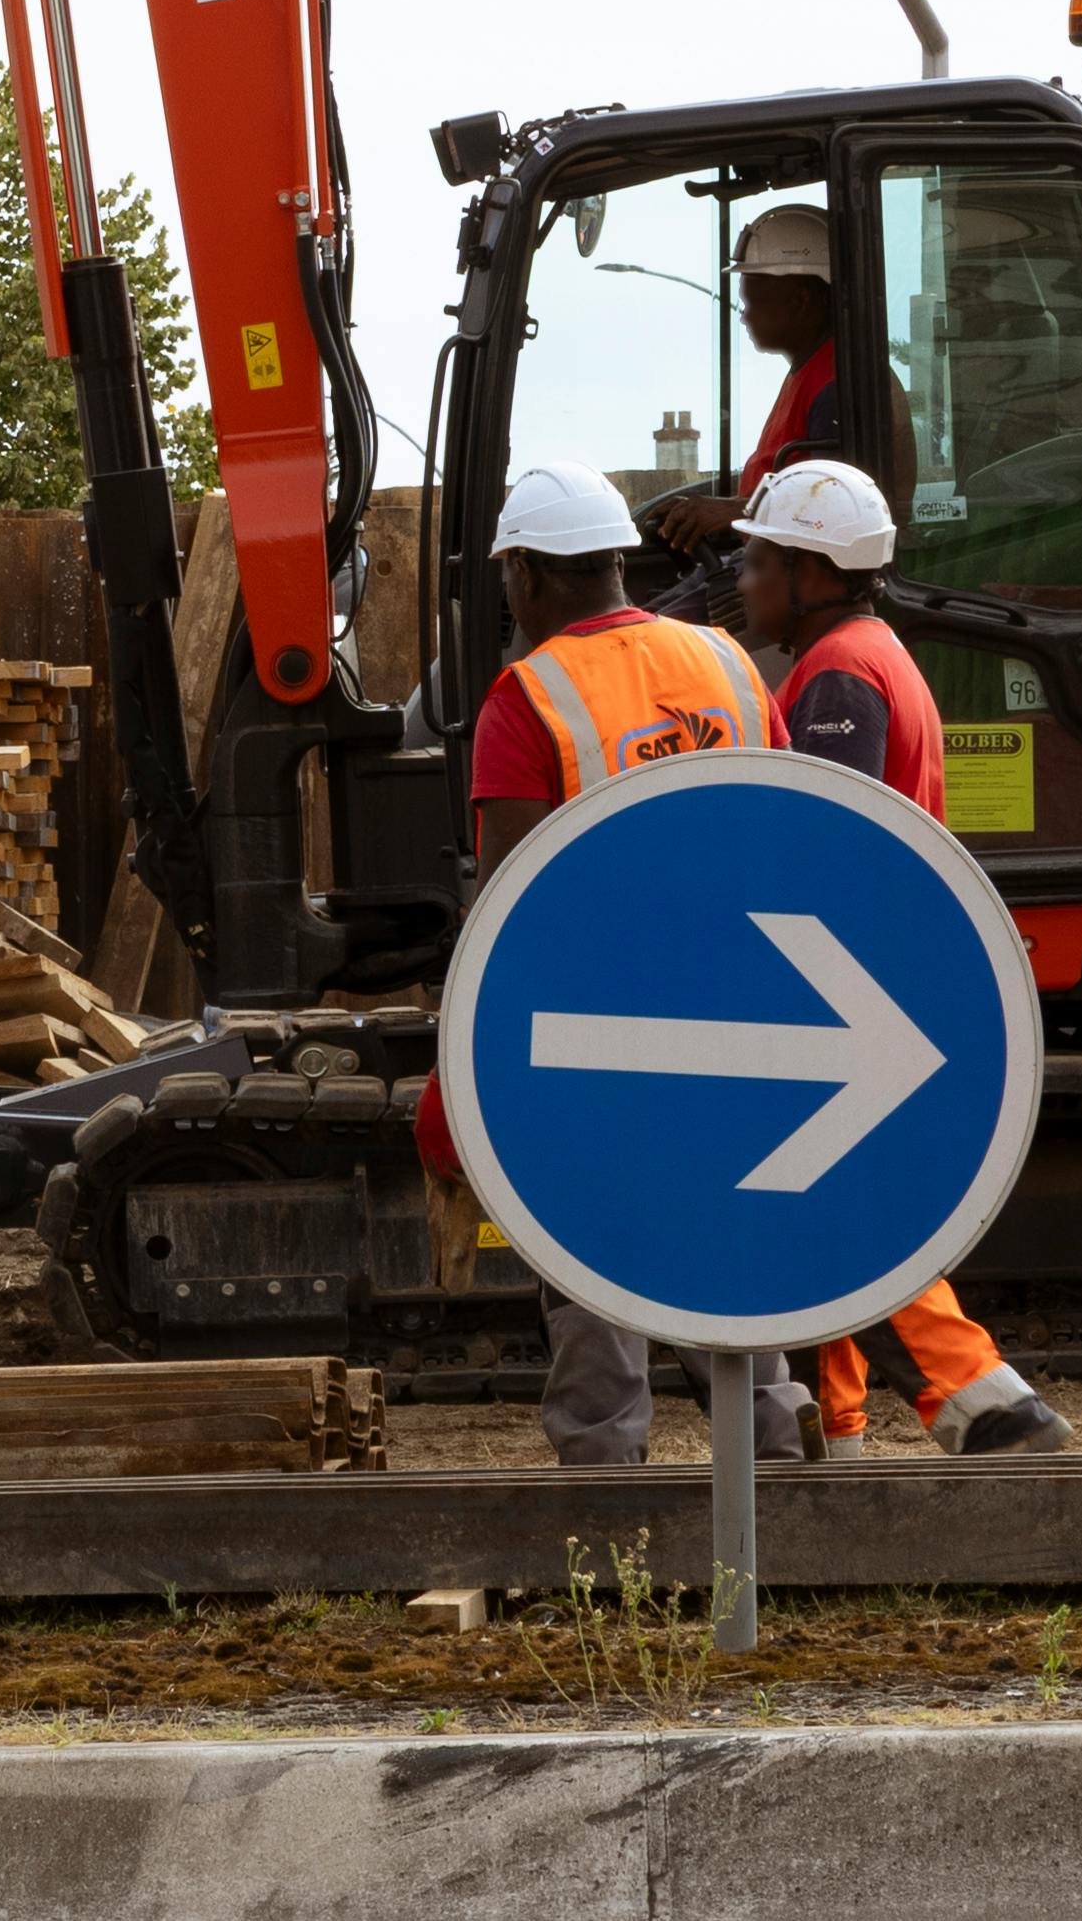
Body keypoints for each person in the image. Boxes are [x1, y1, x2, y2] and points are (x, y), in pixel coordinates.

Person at [410, 461, 815, 1469]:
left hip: (603, 1025)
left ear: (529, 578)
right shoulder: (728, 663)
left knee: (591, 1243)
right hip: (745, 1002)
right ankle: (775, 1451)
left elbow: (512, 904)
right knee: (725, 1239)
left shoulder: (528, 695)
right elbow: (787, 830)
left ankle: (604, 1476)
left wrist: (459, 1063)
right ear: (616, 564)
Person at [732, 454, 1073, 1459]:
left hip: (846, 982)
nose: (744, 581)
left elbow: (825, 847)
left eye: (759, 562)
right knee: (822, 1193)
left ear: (813, 570)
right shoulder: (876, 649)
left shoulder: (837, 674)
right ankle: (838, 1431)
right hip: (872, 975)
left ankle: (980, 1396)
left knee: (846, 1205)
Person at [635, 203, 846, 626]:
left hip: (793, 582)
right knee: (641, 626)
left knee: (641, 648)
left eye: (755, 301)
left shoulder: (837, 388)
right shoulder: (811, 370)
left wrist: (732, 512)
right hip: (766, 563)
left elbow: (832, 515)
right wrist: (721, 508)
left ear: (803, 300)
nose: (745, 316)